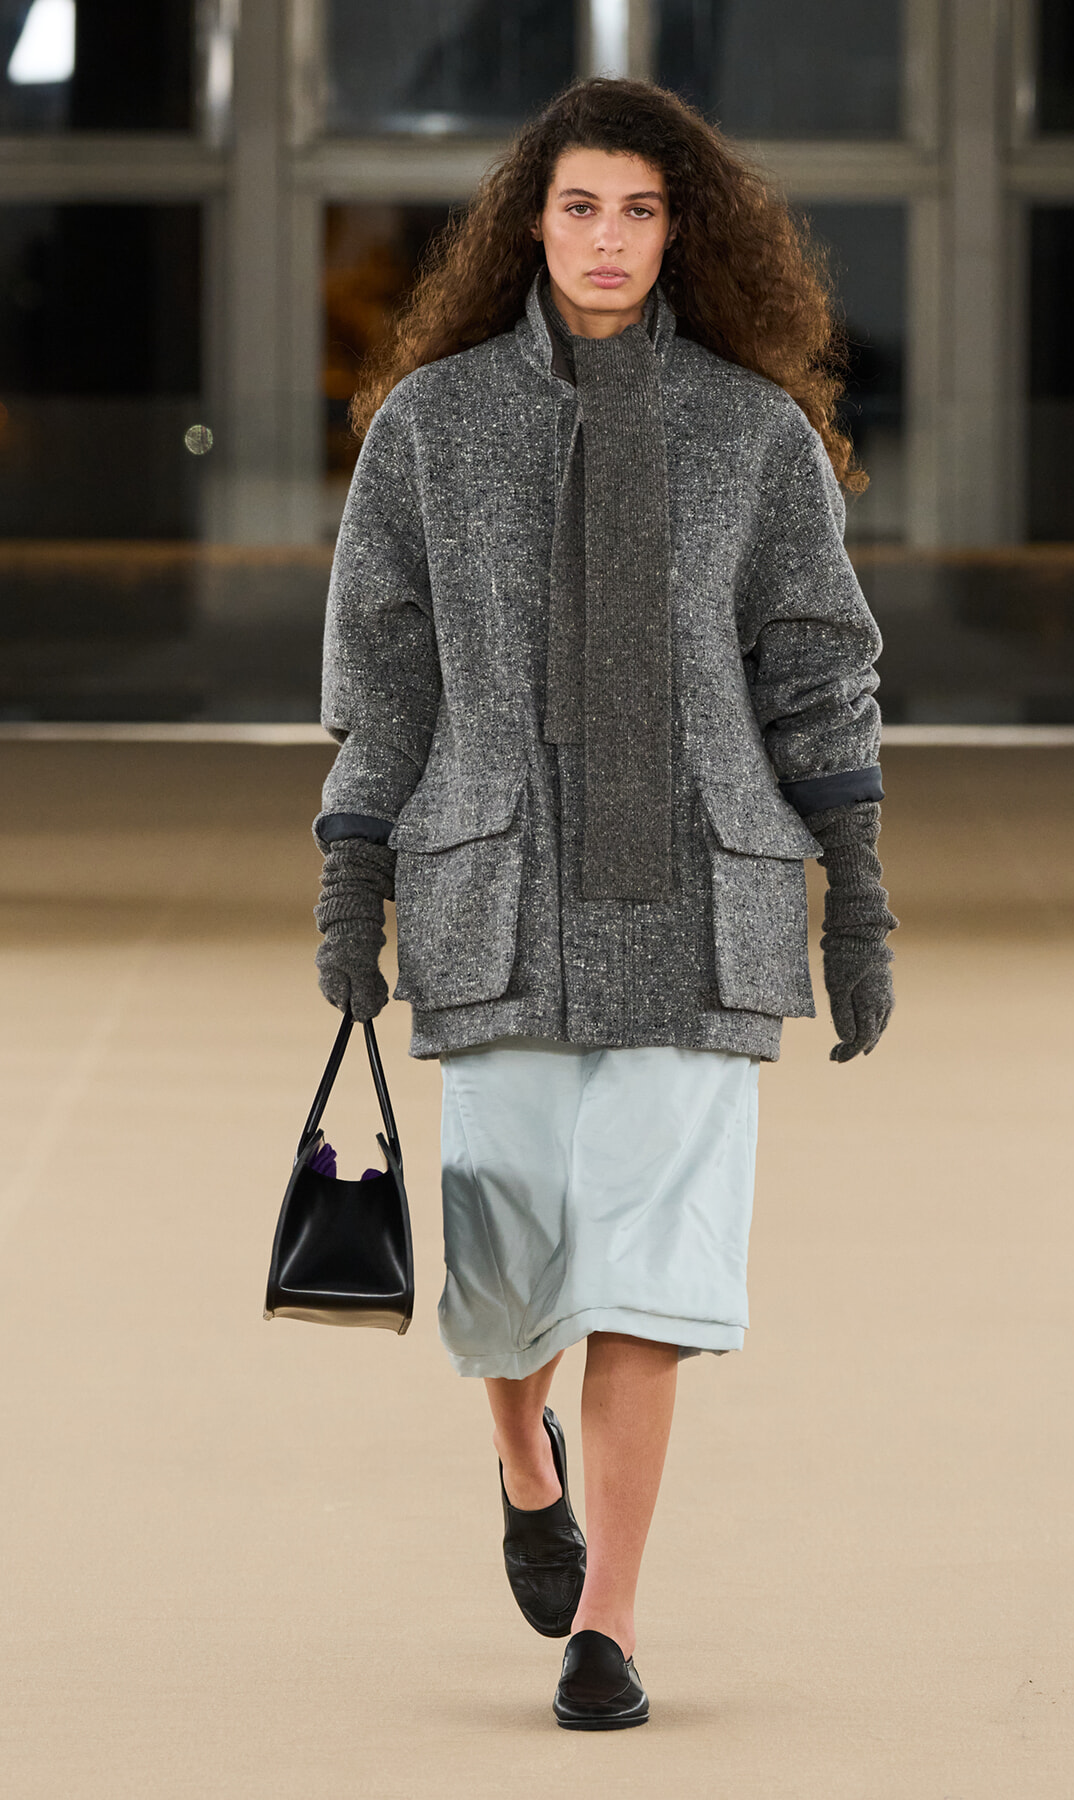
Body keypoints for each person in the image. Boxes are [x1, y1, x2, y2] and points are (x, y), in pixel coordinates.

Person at [311, 76, 896, 1730]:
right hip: (495, 894)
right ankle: (521, 1453)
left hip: (699, 901)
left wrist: (855, 893)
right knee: (504, 1281)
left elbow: (820, 668)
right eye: (581, 207)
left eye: (642, 210)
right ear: (530, 221)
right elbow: (385, 678)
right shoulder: (430, 428)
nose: (611, 240)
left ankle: (610, 1631)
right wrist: (350, 878)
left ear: (682, 230)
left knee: (651, 1277)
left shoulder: (753, 434)